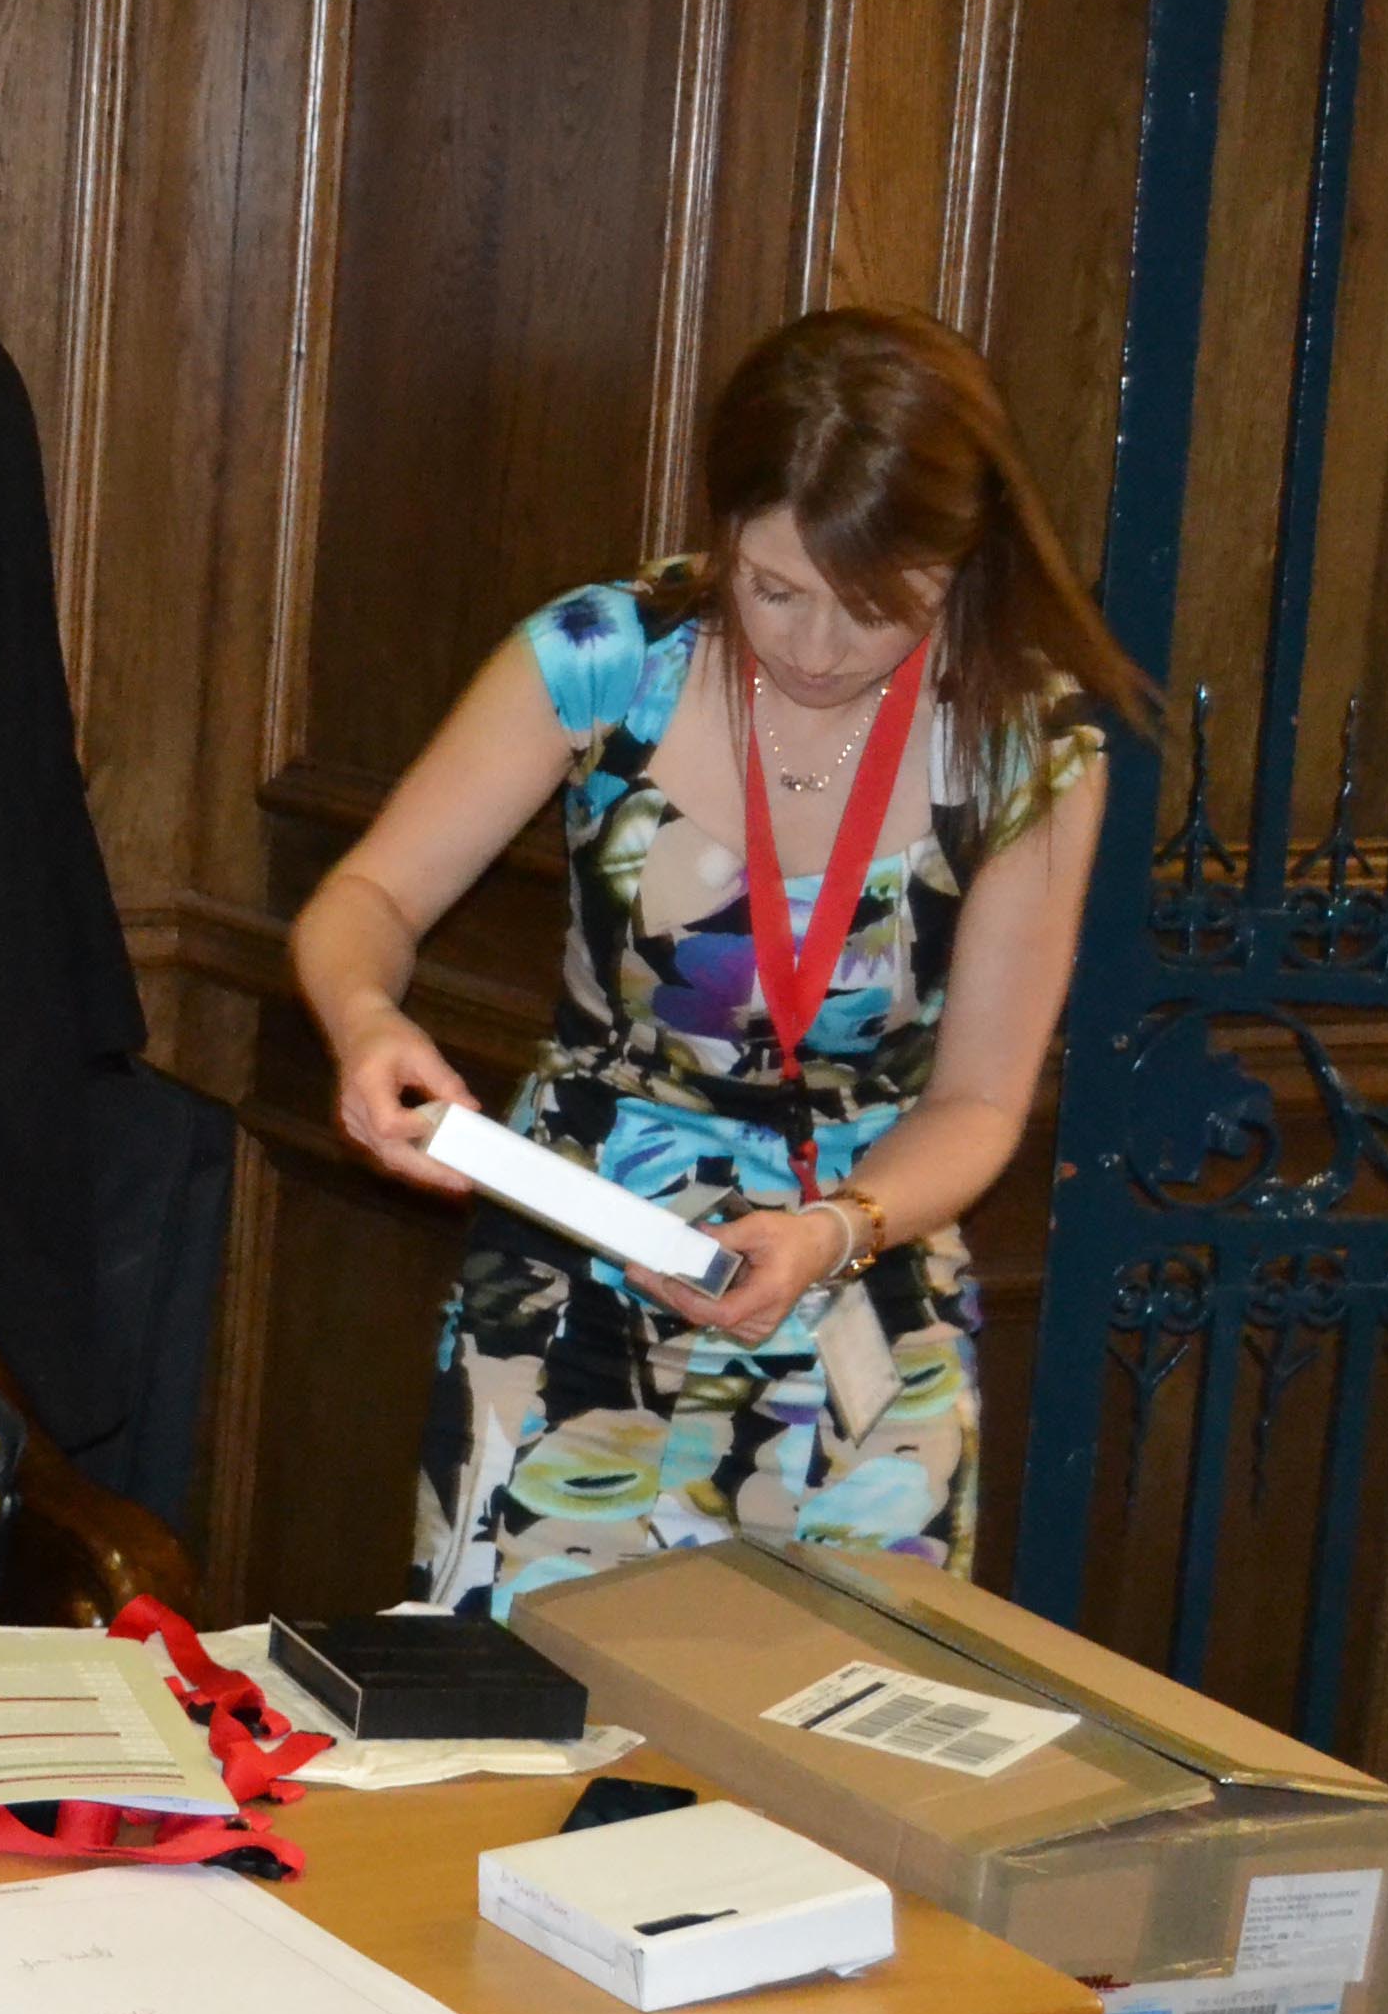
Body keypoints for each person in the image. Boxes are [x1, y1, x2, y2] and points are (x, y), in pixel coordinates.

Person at [294, 307, 1150, 1617]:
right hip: (578, 1271)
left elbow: (979, 1102)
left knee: (827, 1770)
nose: (814, 649)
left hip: (860, 1283)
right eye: (773, 590)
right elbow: (365, 895)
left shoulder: (1029, 749)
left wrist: (830, 1232)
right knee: (523, 1736)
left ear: (955, 558)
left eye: (873, 607)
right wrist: (364, 1023)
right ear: (724, 533)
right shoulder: (608, 653)